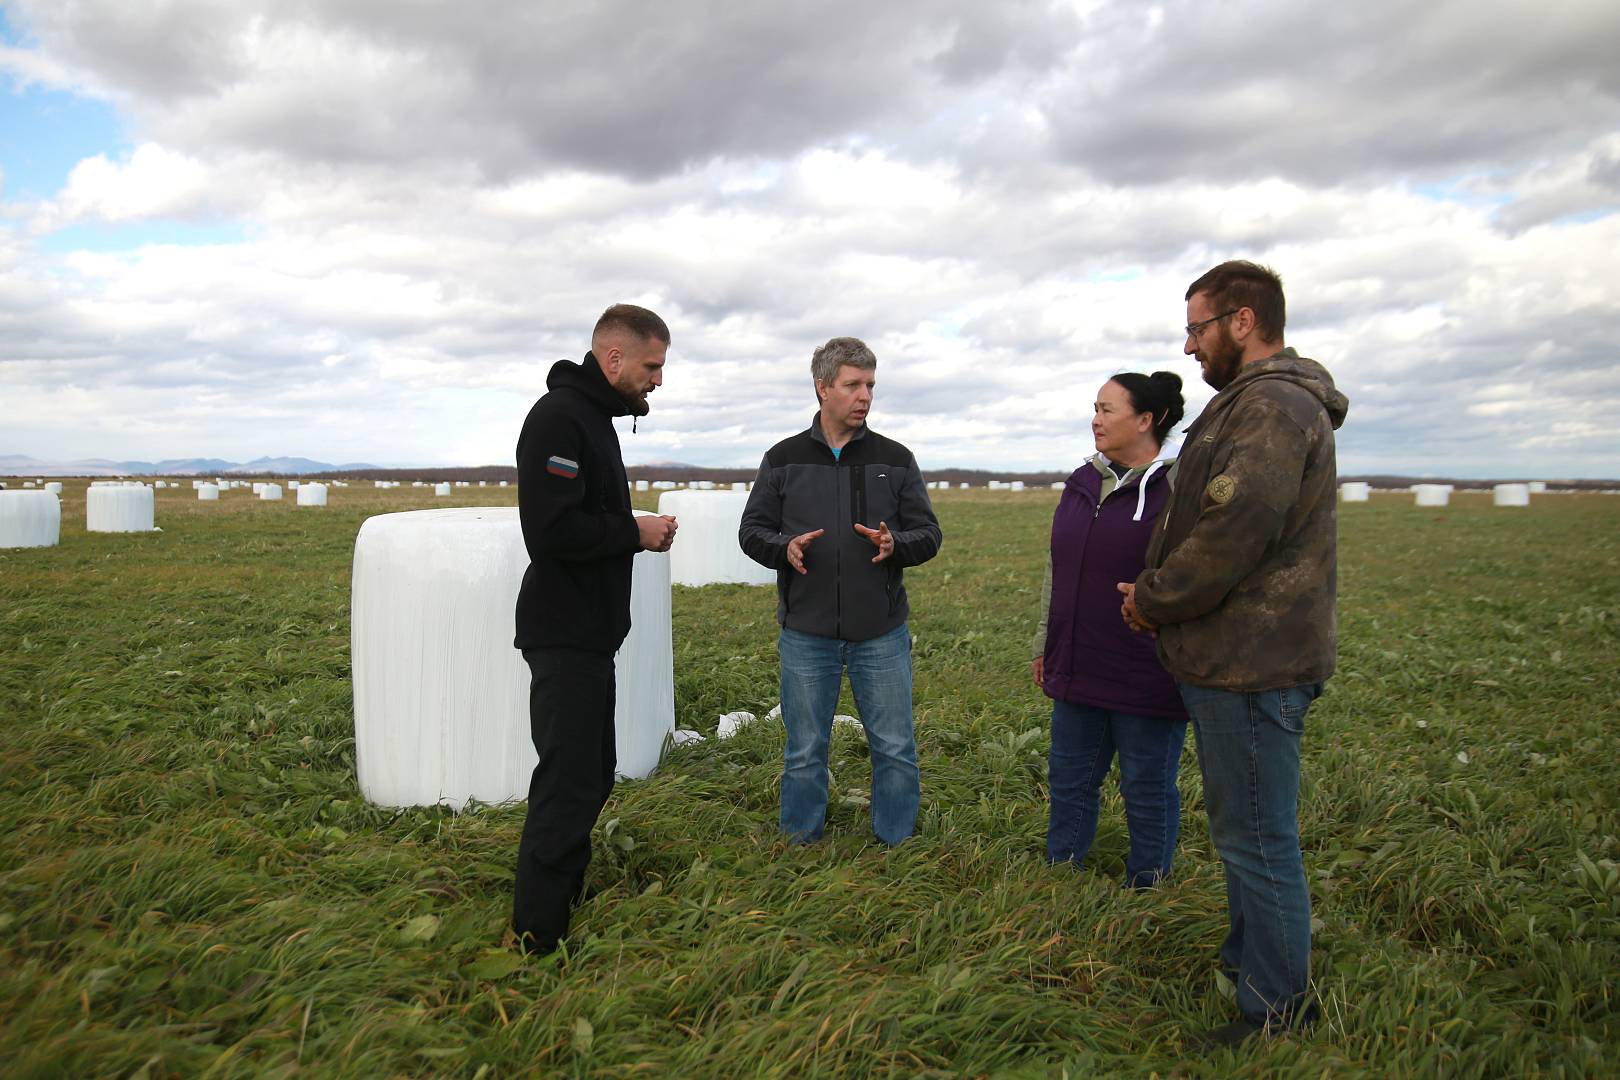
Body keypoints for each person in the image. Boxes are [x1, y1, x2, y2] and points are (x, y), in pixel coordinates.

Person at [1118, 261, 1349, 1049]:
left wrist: (1152, 599)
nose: (1189, 347)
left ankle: (1277, 1012)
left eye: (1197, 328)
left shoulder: (1274, 407)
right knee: (1246, 831)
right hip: (1237, 656)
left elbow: (1233, 531)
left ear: (1242, 322)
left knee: (1257, 838)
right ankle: (1251, 963)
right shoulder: (1251, 403)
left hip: (1254, 662)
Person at [511, 303, 679, 957]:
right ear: (613, 358)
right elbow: (550, 531)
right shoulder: (559, 418)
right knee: (570, 778)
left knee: (591, 770)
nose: (658, 379)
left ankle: (560, 897)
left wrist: (629, 532)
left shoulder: (594, 419)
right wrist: (634, 531)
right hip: (563, 631)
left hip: (588, 631)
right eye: (652, 365)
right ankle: (538, 935)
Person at [739, 337, 942, 846]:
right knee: (805, 749)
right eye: (853, 385)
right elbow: (751, 531)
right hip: (806, 633)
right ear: (823, 387)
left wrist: (896, 544)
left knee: (894, 747)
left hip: (881, 632)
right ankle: (799, 841)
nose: (865, 395)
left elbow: (929, 534)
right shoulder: (782, 459)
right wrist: (784, 547)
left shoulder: (896, 459)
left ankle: (896, 843)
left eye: (870, 385)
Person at [1031, 372, 1189, 888]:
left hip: (1148, 667)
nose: (1095, 419)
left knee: (1147, 785)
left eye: (1107, 409)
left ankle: (1148, 883)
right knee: (1070, 779)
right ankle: (1062, 873)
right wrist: (1046, 643)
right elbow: (1057, 569)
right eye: (1095, 408)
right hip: (1079, 660)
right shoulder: (1083, 482)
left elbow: (1195, 575)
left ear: (1145, 420)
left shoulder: (1179, 487)